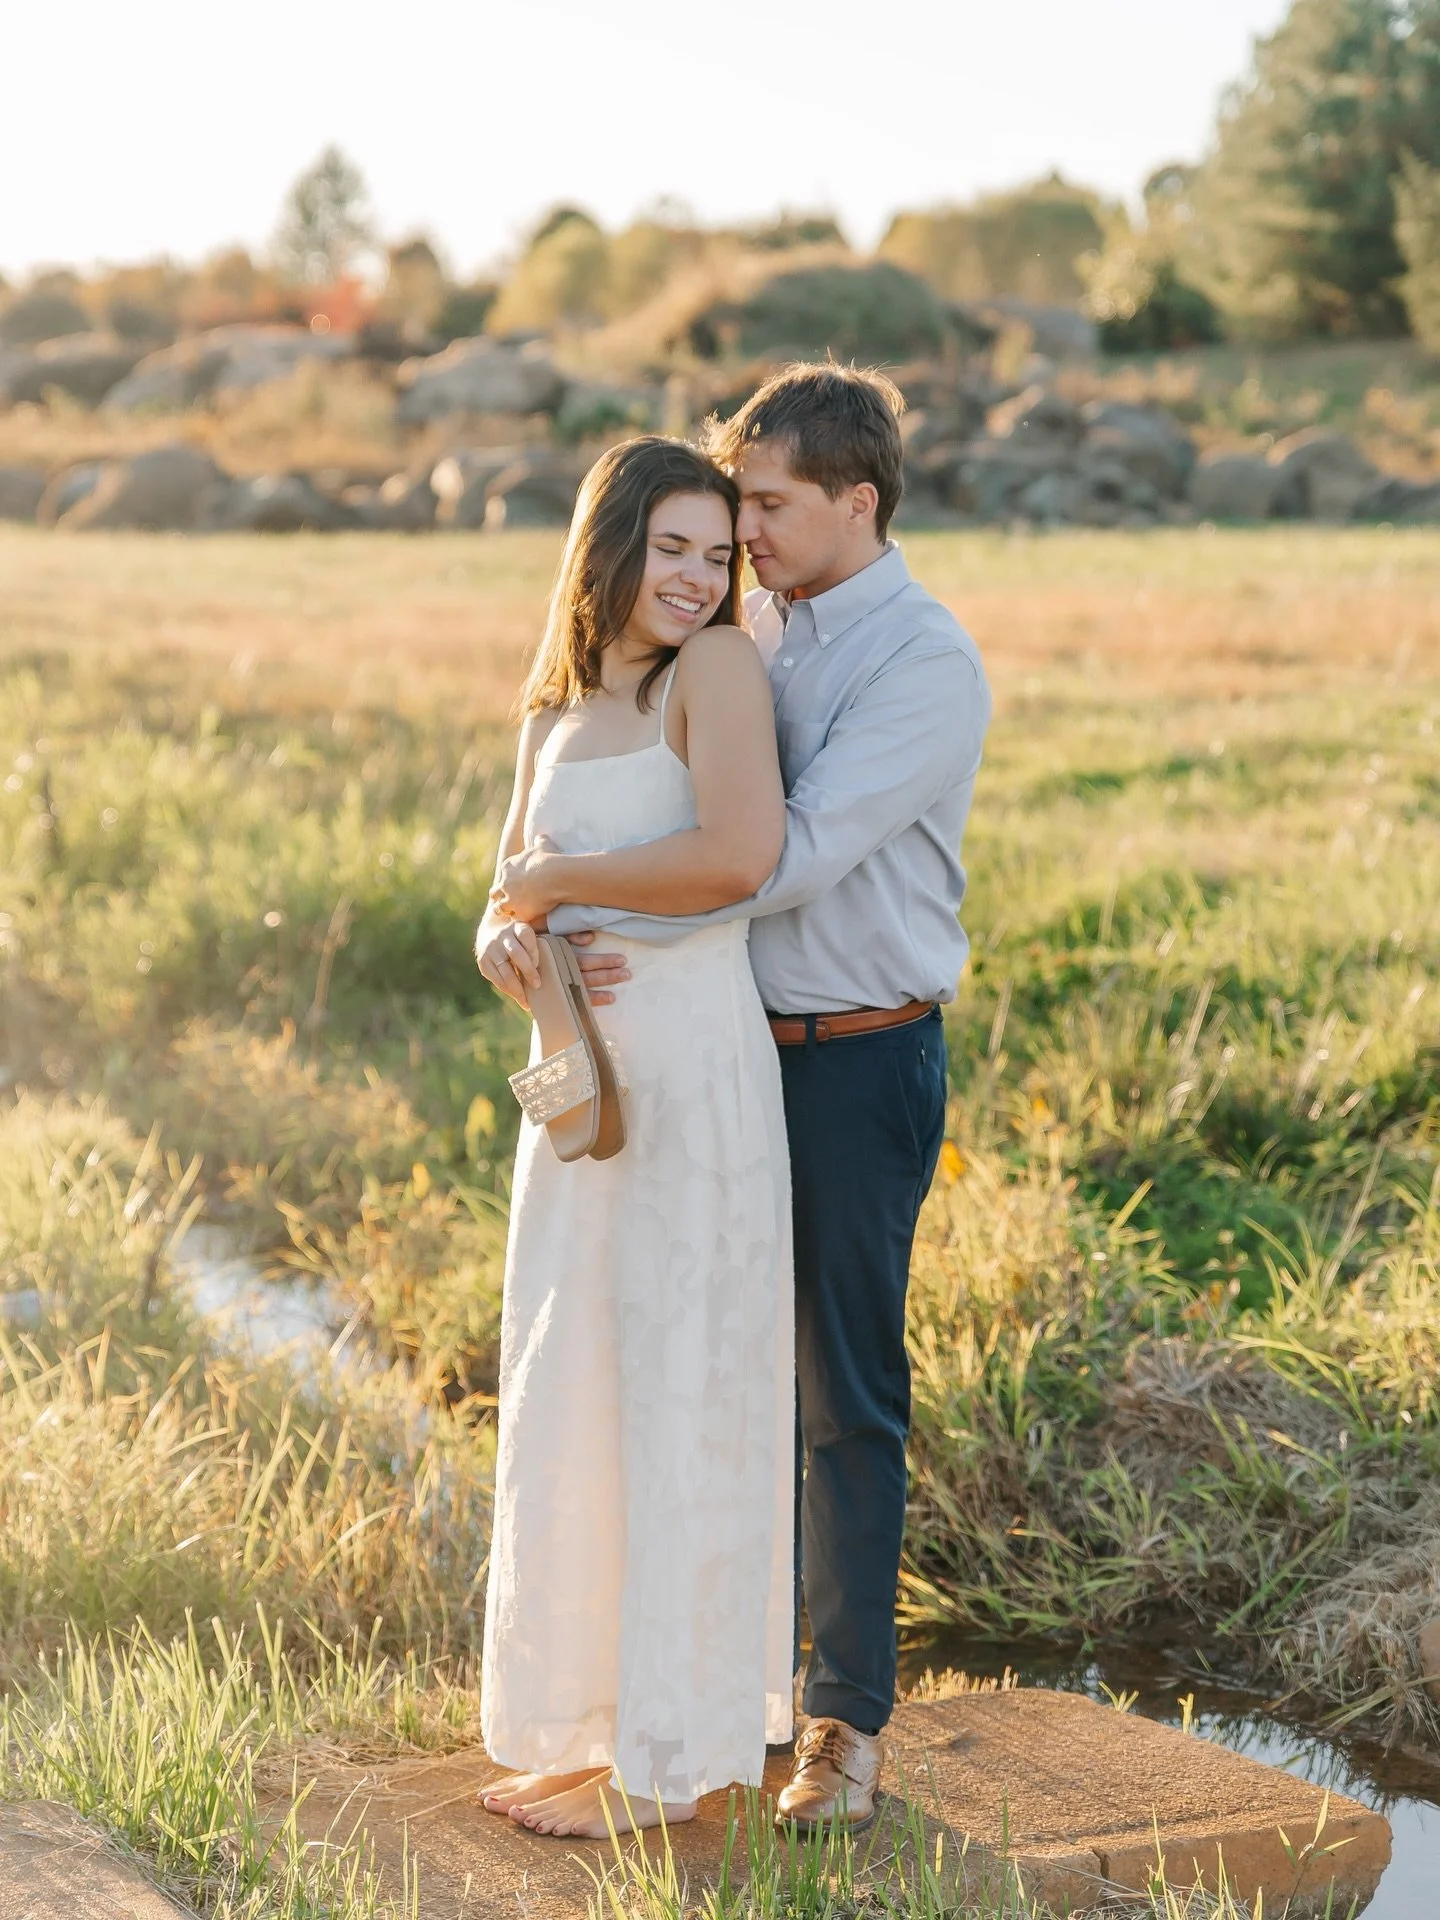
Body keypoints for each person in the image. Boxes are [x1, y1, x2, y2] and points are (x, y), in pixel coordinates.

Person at [489, 362, 992, 1833]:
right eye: (722, 518)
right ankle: (695, 1700)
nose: (740, 542)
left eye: (765, 509)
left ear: (858, 500)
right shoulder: (736, 626)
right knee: (679, 1368)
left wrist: (579, 901)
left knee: (838, 1396)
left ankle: (837, 1723)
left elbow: (769, 860)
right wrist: (537, 934)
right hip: (715, 1048)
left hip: (852, 1047)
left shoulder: (923, 664)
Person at [472, 436, 795, 1842]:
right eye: (672, 547)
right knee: (582, 1383)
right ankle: (595, 1722)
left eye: (718, 555)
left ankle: (673, 1760)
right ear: (607, 547)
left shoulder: (710, 674)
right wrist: (513, 937)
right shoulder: (549, 711)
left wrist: (560, 882)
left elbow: (740, 853)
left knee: (682, 1383)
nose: (697, 577)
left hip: (694, 1078)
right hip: (583, 1085)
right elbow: (500, 898)